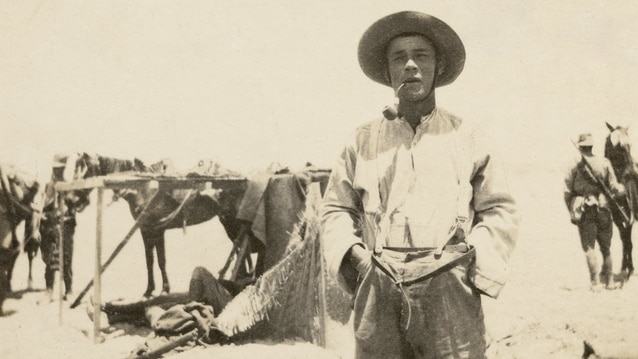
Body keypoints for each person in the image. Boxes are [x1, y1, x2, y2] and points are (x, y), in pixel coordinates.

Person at [321, 11, 519, 359]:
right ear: (387, 72)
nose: (410, 65)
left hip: (449, 286)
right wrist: (358, 258)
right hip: (378, 282)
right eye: (399, 57)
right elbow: (335, 209)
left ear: (438, 68)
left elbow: (499, 209)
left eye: (421, 56)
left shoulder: (468, 136)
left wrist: (470, 259)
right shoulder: (361, 140)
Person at [564, 133, 625, 291]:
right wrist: (621, 190)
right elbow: (614, 187)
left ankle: (595, 283)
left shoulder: (574, 165)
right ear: (591, 146)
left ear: (580, 146)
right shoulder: (604, 163)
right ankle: (610, 282)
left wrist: (571, 209)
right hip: (604, 208)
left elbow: (567, 191)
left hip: (585, 209)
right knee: (606, 248)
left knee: (589, 247)